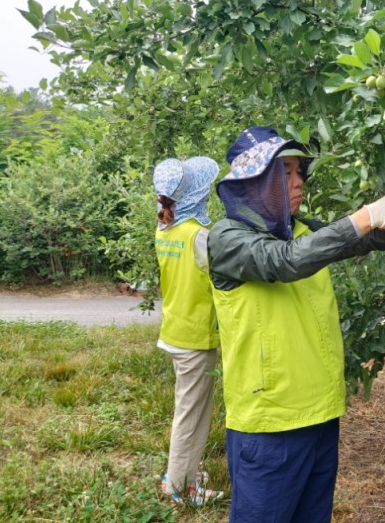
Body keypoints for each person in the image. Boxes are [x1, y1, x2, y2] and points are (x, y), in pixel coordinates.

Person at [207, 126, 385, 523]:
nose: (299, 180)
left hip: (319, 414)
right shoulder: (228, 239)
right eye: (285, 172)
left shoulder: (300, 230)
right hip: (270, 422)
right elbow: (286, 261)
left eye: (299, 171)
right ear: (254, 182)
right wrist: (366, 215)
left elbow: (358, 240)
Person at [153, 156, 224, 506]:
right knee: (192, 414)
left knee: (189, 408)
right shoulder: (199, 236)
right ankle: (180, 486)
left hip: (175, 330)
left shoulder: (164, 229)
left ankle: (185, 473)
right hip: (195, 338)